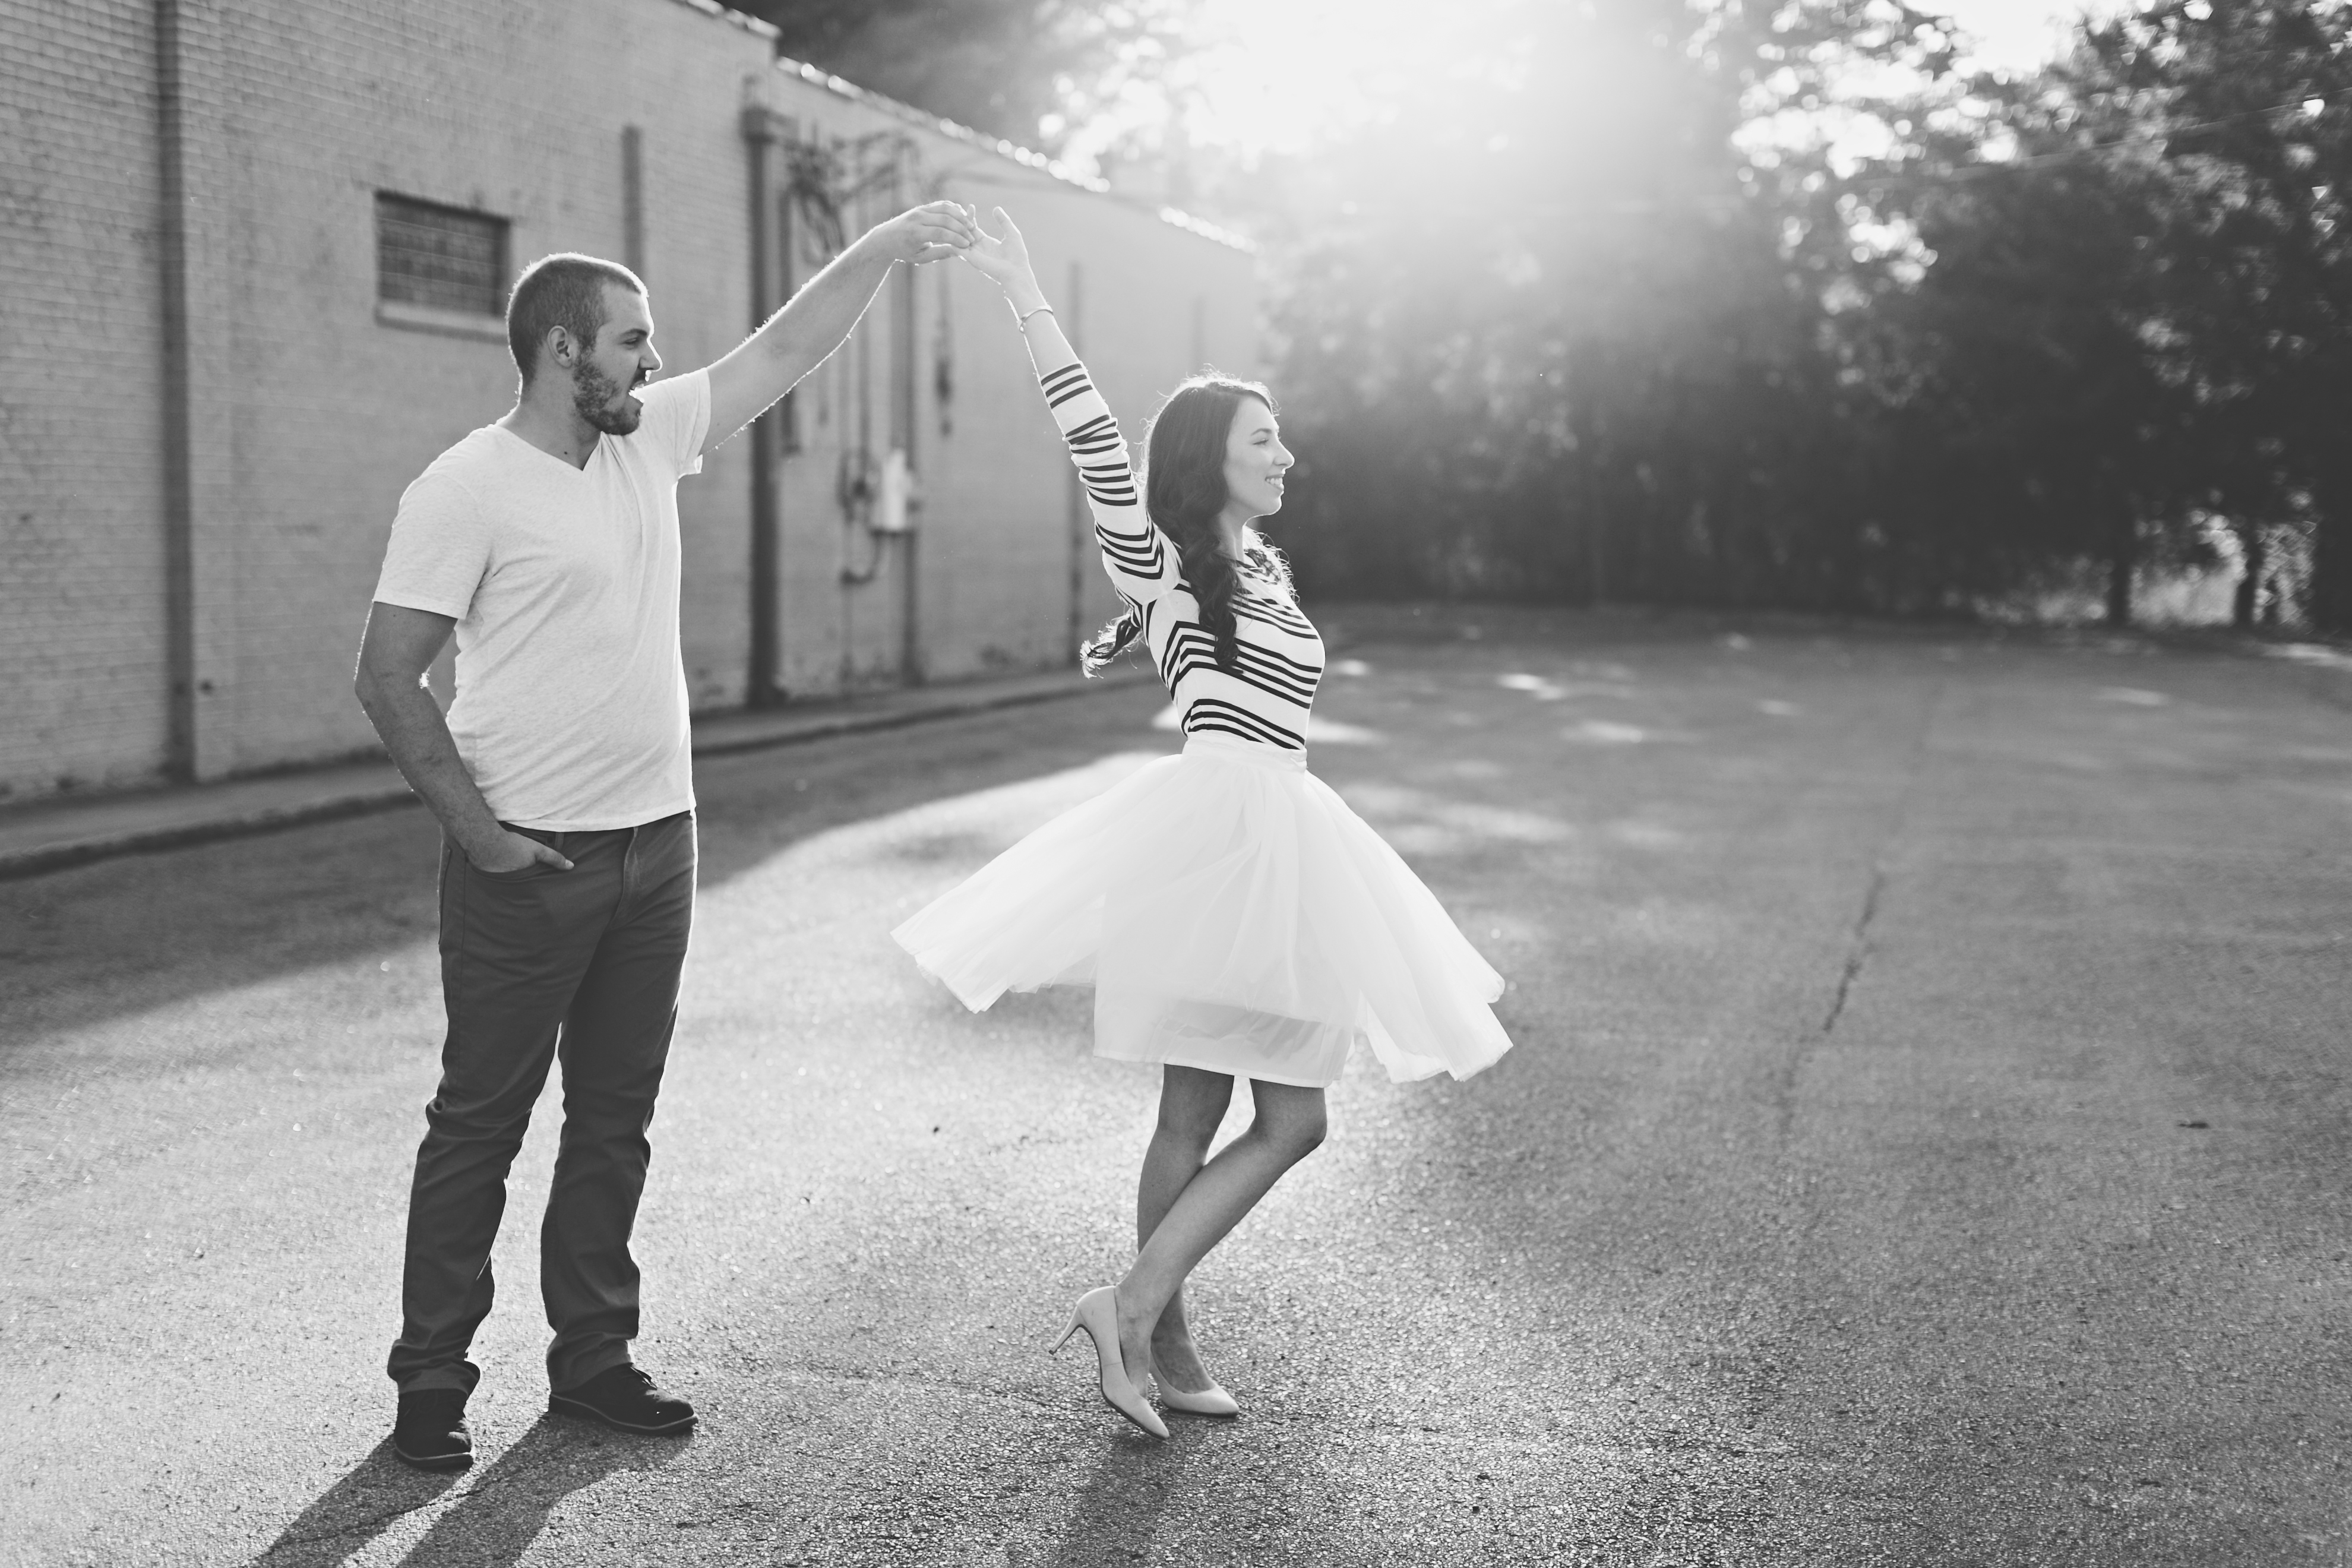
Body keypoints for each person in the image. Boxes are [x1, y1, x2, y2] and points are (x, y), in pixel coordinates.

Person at [355, 203, 975, 1471]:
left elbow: (783, 352)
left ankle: (592, 1360)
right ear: (562, 352)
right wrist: (480, 840)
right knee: (481, 1121)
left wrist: (882, 247)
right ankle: (431, 1382)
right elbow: (387, 676)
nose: (653, 358)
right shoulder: (466, 487)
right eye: (631, 340)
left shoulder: (650, 444)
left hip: (658, 850)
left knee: (614, 1122)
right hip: (528, 860)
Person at [893, 208, 1514, 1438]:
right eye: (1264, 440)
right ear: (1210, 455)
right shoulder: (1162, 552)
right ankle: (1138, 1309)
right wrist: (1024, 289)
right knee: (1288, 1116)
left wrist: (1143, 633)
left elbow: (1224, 656)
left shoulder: (1255, 570)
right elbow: (1087, 435)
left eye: (1284, 440)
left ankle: (1152, 1335)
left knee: (1220, 1113)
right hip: (1221, 839)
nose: (1287, 457)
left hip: (1275, 835)